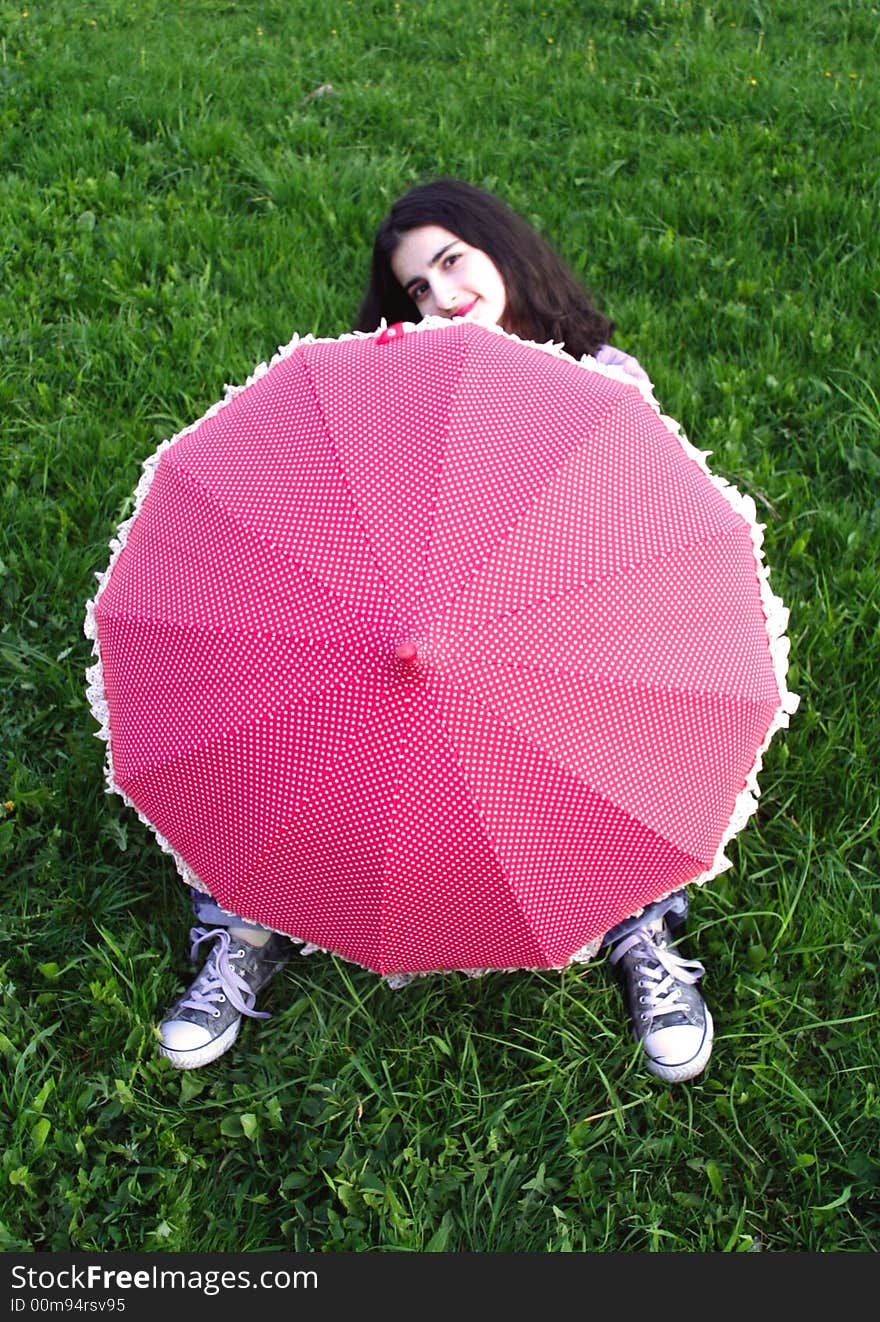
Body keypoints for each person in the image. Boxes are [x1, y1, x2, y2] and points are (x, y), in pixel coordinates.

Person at [157, 178, 712, 1085]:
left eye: (452, 261)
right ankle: (244, 921)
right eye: (416, 286)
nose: (441, 294)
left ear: (506, 250)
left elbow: (629, 526)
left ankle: (637, 926)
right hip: (394, 620)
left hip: (557, 628)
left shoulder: (602, 379)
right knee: (276, 728)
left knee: (601, 762)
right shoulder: (392, 378)